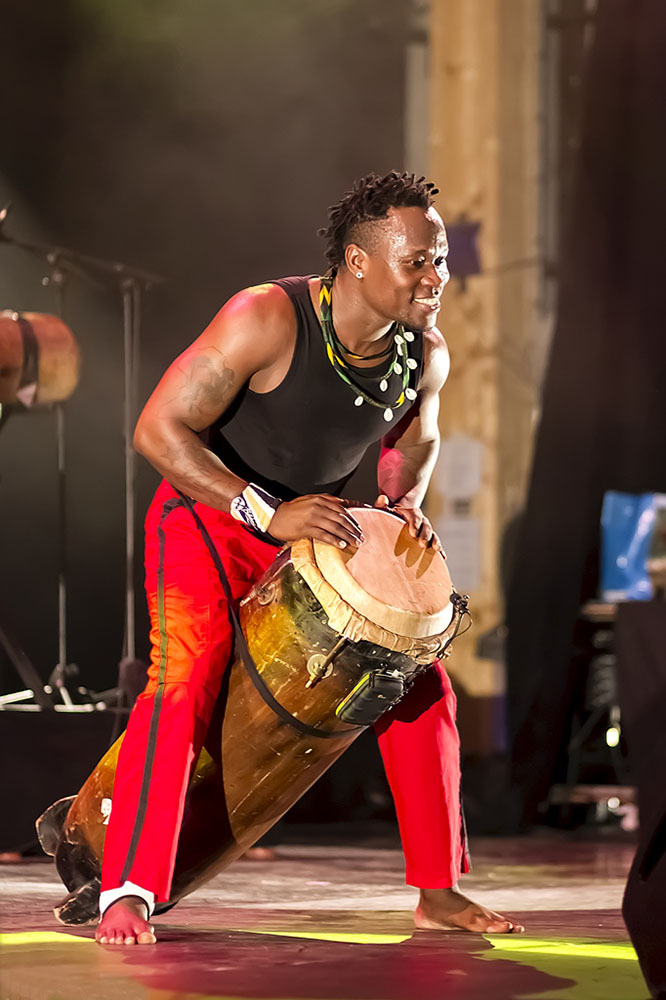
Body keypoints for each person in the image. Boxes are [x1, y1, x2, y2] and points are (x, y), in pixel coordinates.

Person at [96, 171, 524, 945]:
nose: (437, 277)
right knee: (185, 675)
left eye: (440, 260)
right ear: (358, 261)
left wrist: (401, 503)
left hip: (310, 534)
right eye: (418, 262)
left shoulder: (422, 353)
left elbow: (414, 440)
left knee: (416, 681)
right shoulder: (265, 317)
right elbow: (157, 430)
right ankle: (128, 888)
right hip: (206, 519)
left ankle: (438, 888)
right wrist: (265, 510)